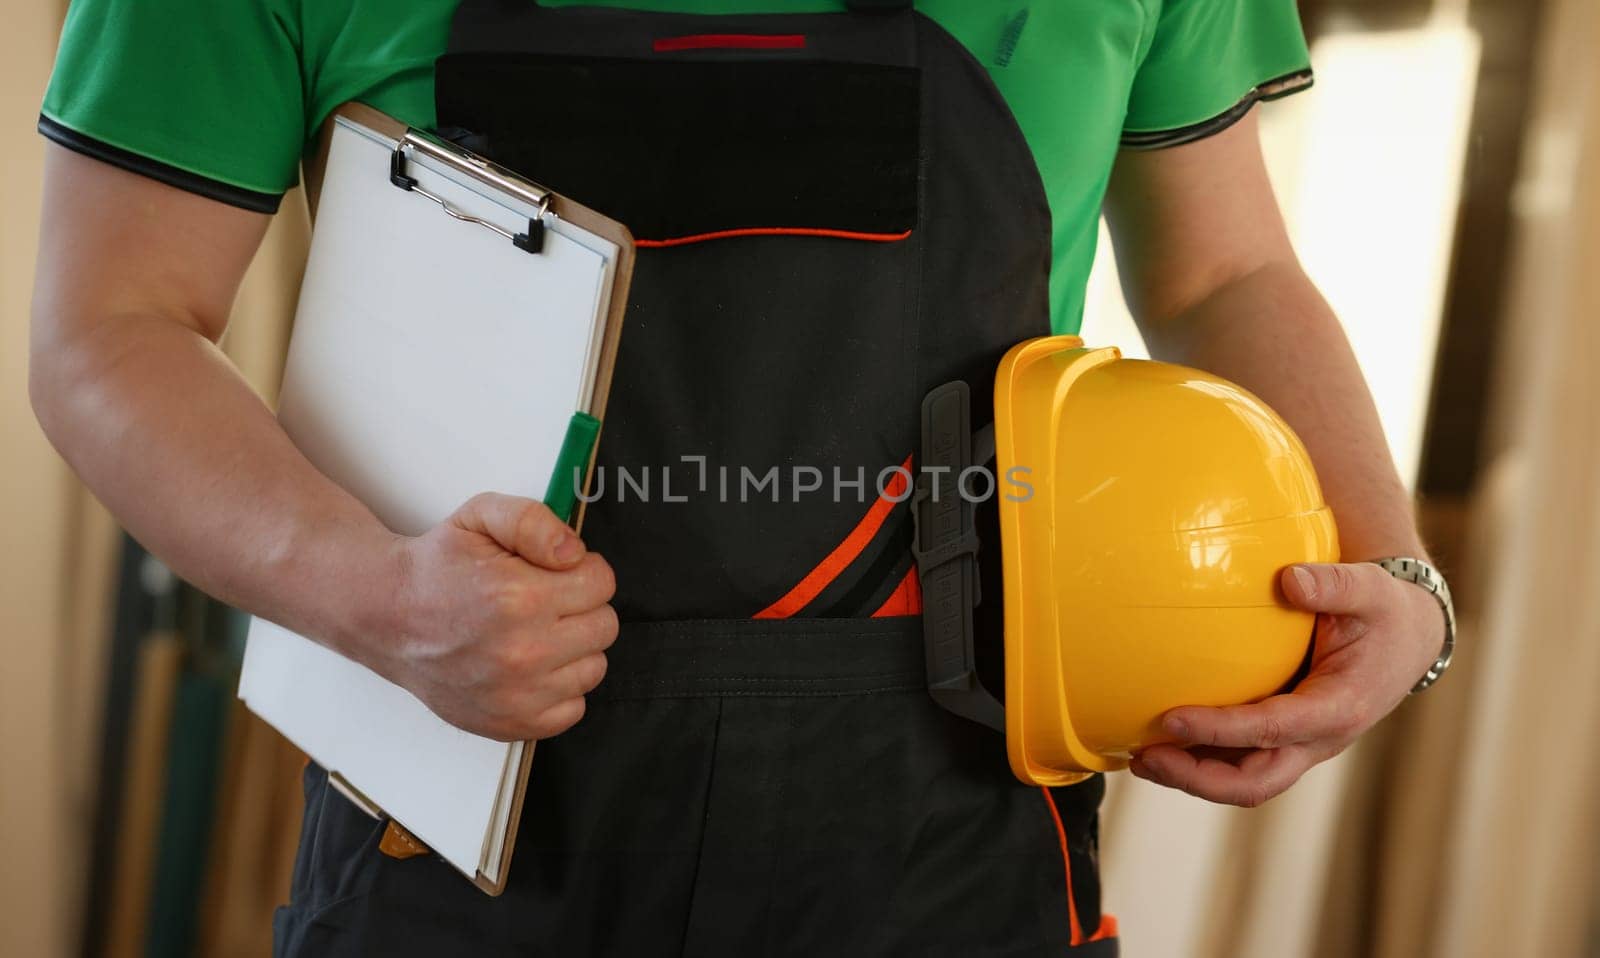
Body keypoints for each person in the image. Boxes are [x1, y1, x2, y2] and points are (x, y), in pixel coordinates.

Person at [30, 1, 1453, 954]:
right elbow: (109, 330)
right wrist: (374, 597)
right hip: (467, 848)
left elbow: (1228, 273)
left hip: (954, 850)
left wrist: (1395, 577)